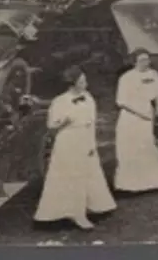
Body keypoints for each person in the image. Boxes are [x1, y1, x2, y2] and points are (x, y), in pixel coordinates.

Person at [34, 67, 116, 230]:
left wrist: (92, 143)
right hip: (68, 141)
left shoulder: (88, 97)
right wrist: (65, 120)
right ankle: (75, 213)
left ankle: (93, 205)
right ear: (72, 84)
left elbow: (91, 122)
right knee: (72, 176)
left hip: (85, 138)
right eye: (82, 81)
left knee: (89, 172)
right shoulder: (60, 101)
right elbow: (51, 125)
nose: (86, 84)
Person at [114, 49, 158, 194]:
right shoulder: (126, 78)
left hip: (147, 113)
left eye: (147, 60)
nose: (145, 63)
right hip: (130, 116)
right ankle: (131, 185)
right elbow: (121, 102)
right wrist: (141, 114)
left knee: (147, 146)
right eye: (142, 60)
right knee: (129, 149)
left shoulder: (153, 74)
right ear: (134, 62)